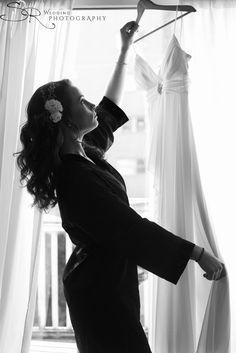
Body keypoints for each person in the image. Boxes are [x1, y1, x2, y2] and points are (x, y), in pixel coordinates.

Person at [15, 21, 226, 353]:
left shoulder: (87, 153)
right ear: (65, 121)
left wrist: (124, 50)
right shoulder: (76, 178)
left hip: (106, 278)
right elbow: (130, 228)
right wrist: (197, 253)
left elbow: (108, 107)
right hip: (98, 291)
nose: (91, 107)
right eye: (82, 102)